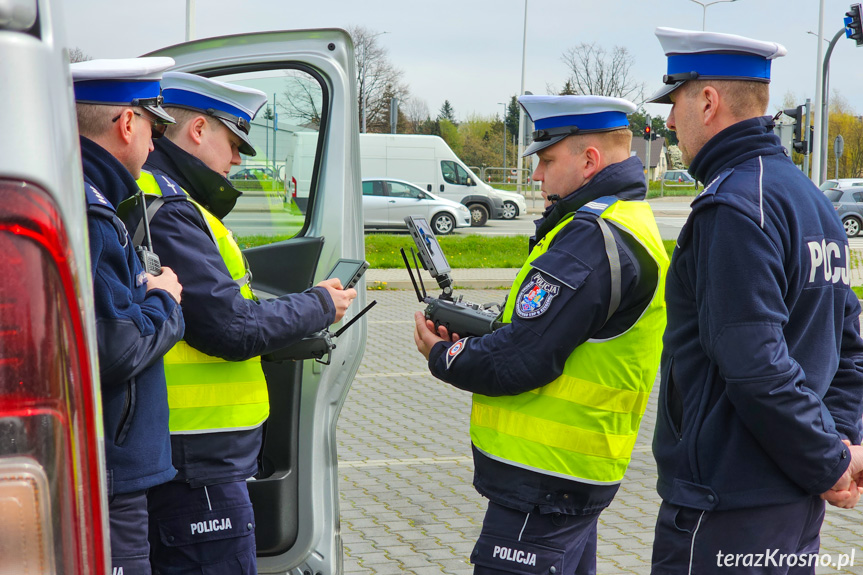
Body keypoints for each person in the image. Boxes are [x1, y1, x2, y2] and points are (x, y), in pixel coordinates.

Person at [414, 95, 669, 575]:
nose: (536, 175)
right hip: (571, 473)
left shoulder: (590, 237)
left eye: (547, 160)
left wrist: (444, 354)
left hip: (544, 480)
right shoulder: (624, 222)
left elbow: (521, 358)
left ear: (589, 160)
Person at [646, 28, 863, 574]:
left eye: (675, 103)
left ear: (708, 101)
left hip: (724, 509)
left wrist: (829, 461)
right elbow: (848, 351)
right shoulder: (812, 202)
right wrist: (837, 445)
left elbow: (756, 365)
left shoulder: (733, 207)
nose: (670, 123)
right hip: (791, 505)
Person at [123, 71, 356, 574]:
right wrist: (319, 304)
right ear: (199, 130)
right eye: (233, 143)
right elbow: (229, 327)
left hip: (188, 452)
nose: (235, 161)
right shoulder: (166, 208)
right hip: (193, 459)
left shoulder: (167, 198)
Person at [72, 58, 185, 575]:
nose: (154, 143)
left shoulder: (88, 200)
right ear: (126, 123)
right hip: (110, 475)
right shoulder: (93, 215)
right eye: (152, 126)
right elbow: (112, 346)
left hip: (102, 467)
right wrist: (165, 299)